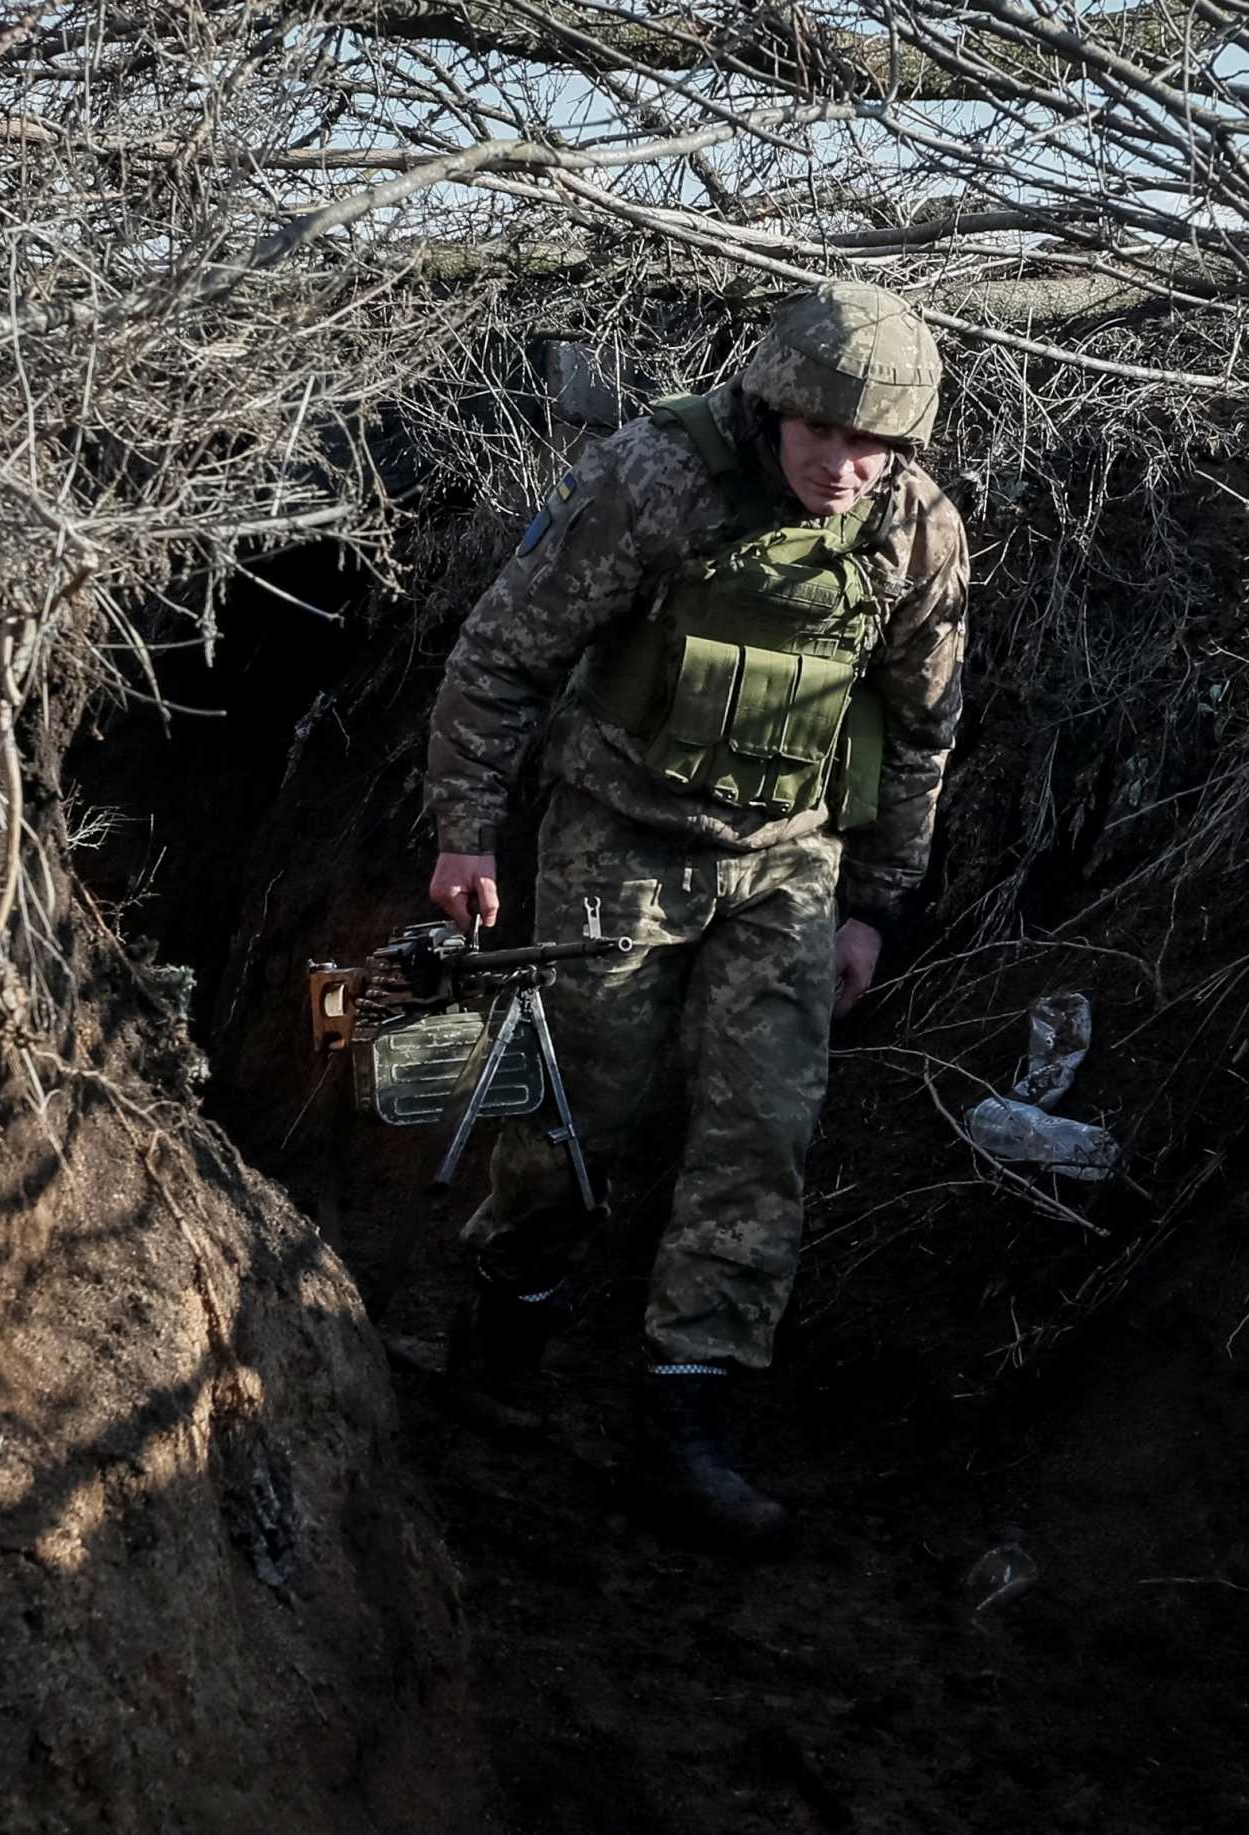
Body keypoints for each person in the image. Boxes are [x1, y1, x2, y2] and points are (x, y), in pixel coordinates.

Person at [420, 282, 968, 1550]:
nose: (844, 465)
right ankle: (505, 1315)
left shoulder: (916, 532)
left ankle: (688, 1414)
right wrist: (464, 828)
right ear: (771, 405)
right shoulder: (654, 479)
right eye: (822, 433)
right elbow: (502, 653)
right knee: (575, 1116)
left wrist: (877, 906)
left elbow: (926, 726)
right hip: (620, 837)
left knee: (759, 1133)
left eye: (874, 444)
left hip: (787, 863)